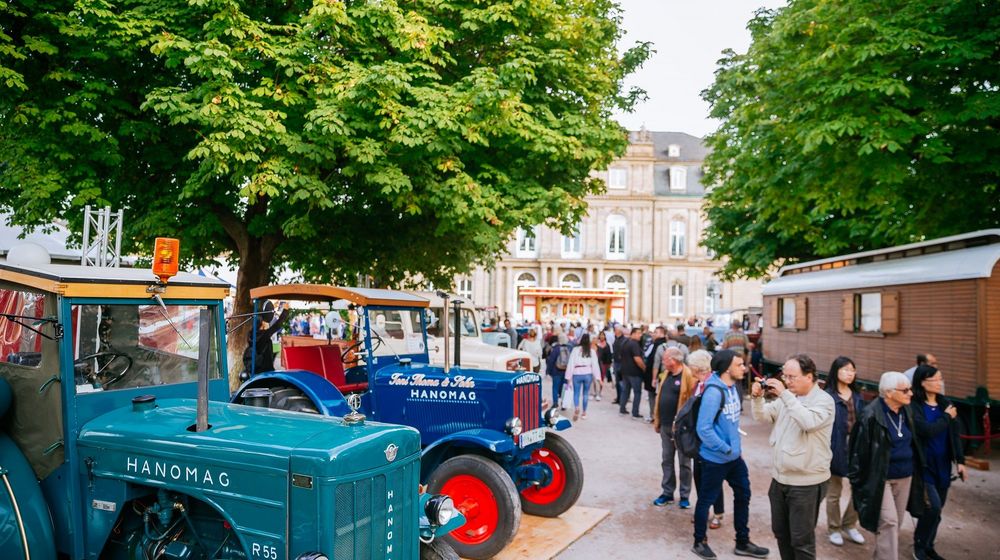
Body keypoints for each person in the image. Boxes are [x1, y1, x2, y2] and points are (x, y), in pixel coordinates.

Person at [751, 354, 834, 560]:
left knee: (802, 541)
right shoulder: (790, 397)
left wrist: (785, 395)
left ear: (810, 376)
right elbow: (763, 416)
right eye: (785, 376)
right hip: (780, 478)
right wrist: (757, 398)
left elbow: (808, 422)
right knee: (781, 533)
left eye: (792, 377)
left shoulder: (824, 401)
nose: (786, 381)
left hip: (806, 482)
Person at [691, 349, 769, 560]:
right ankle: (699, 542)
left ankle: (742, 542)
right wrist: (725, 448)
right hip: (715, 459)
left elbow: (732, 424)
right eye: (739, 364)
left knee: (743, 494)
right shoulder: (714, 392)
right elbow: (704, 429)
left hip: (734, 458)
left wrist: (737, 450)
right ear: (726, 368)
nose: (744, 368)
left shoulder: (733, 387)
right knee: (706, 500)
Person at [847, 371, 926, 560]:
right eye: (905, 390)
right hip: (880, 478)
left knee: (893, 524)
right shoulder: (870, 414)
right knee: (889, 522)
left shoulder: (906, 410)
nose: (911, 393)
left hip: (905, 476)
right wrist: (857, 483)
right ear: (889, 393)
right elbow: (857, 453)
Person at [911, 365, 966, 560]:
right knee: (932, 507)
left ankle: (928, 546)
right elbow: (926, 430)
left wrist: (960, 461)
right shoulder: (915, 406)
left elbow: (954, 434)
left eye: (940, 378)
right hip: (924, 466)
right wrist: (946, 417)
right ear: (922, 382)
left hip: (943, 465)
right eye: (934, 379)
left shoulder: (946, 404)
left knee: (938, 510)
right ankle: (918, 545)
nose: (939, 383)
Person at [824, 356, 866, 547]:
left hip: (856, 446)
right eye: (846, 370)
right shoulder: (828, 396)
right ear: (836, 371)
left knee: (859, 488)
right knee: (834, 492)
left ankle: (849, 524)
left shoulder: (857, 396)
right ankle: (833, 528)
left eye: (852, 370)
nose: (850, 374)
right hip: (834, 446)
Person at [685, 350, 726, 530]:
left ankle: (718, 513)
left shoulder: (714, 386)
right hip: (699, 440)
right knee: (699, 476)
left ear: (697, 367)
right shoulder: (698, 385)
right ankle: (703, 509)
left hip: (712, 439)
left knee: (714, 478)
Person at [652, 347, 697, 508]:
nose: (662, 361)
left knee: (684, 463)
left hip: (682, 429)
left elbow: (693, 402)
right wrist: (657, 421)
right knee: (667, 460)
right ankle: (667, 493)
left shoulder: (688, 376)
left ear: (674, 360)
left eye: (665, 359)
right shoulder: (666, 374)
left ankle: (685, 495)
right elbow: (659, 398)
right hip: (665, 425)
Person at [242, 301, 290, 375]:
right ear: (262, 324)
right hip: (264, 371)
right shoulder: (263, 336)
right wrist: (285, 311)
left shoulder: (252, 334)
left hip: (257, 371)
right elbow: (277, 325)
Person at [566, 333, 599, 421]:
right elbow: (595, 364)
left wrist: (568, 377)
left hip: (577, 373)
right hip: (588, 373)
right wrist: (598, 377)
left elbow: (571, 363)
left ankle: (577, 407)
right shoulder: (591, 351)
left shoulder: (575, 350)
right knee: (585, 394)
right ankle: (584, 413)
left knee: (576, 393)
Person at [618, 327, 646, 419]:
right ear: (633, 333)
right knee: (637, 392)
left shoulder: (625, 342)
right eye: (638, 333)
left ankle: (622, 408)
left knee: (625, 390)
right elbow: (637, 359)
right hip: (634, 372)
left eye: (641, 333)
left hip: (625, 371)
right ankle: (635, 412)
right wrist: (644, 368)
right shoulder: (634, 344)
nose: (640, 335)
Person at [644, 326, 669, 422]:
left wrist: (653, 378)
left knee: (653, 396)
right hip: (657, 375)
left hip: (655, 376)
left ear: (662, 334)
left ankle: (654, 416)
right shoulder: (657, 344)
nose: (653, 334)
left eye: (656, 332)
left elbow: (655, 363)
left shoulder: (658, 345)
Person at [545, 333, 571, 409]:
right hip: (566, 372)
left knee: (555, 387)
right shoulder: (569, 348)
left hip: (556, 371)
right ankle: (563, 403)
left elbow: (551, 360)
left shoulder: (556, 348)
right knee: (564, 387)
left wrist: (548, 371)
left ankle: (555, 403)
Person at [594, 331, 613, 401]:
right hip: (597, 363)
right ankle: (596, 391)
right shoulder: (596, 344)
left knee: (601, 377)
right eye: (601, 335)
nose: (602, 336)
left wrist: (609, 364)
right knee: (596, 378)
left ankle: (599, 391)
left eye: (603, 335)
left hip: (604, 364)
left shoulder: (607, 345)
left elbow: (609, 355)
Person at [612, 324, 627, 405]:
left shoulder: (623, 340)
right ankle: (618, 397)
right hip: (616, 362)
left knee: (621, 382)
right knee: (617, 382)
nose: (615, 331)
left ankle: (622, 398)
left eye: (616, 330)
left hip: (621, 363)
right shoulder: (616, 339)